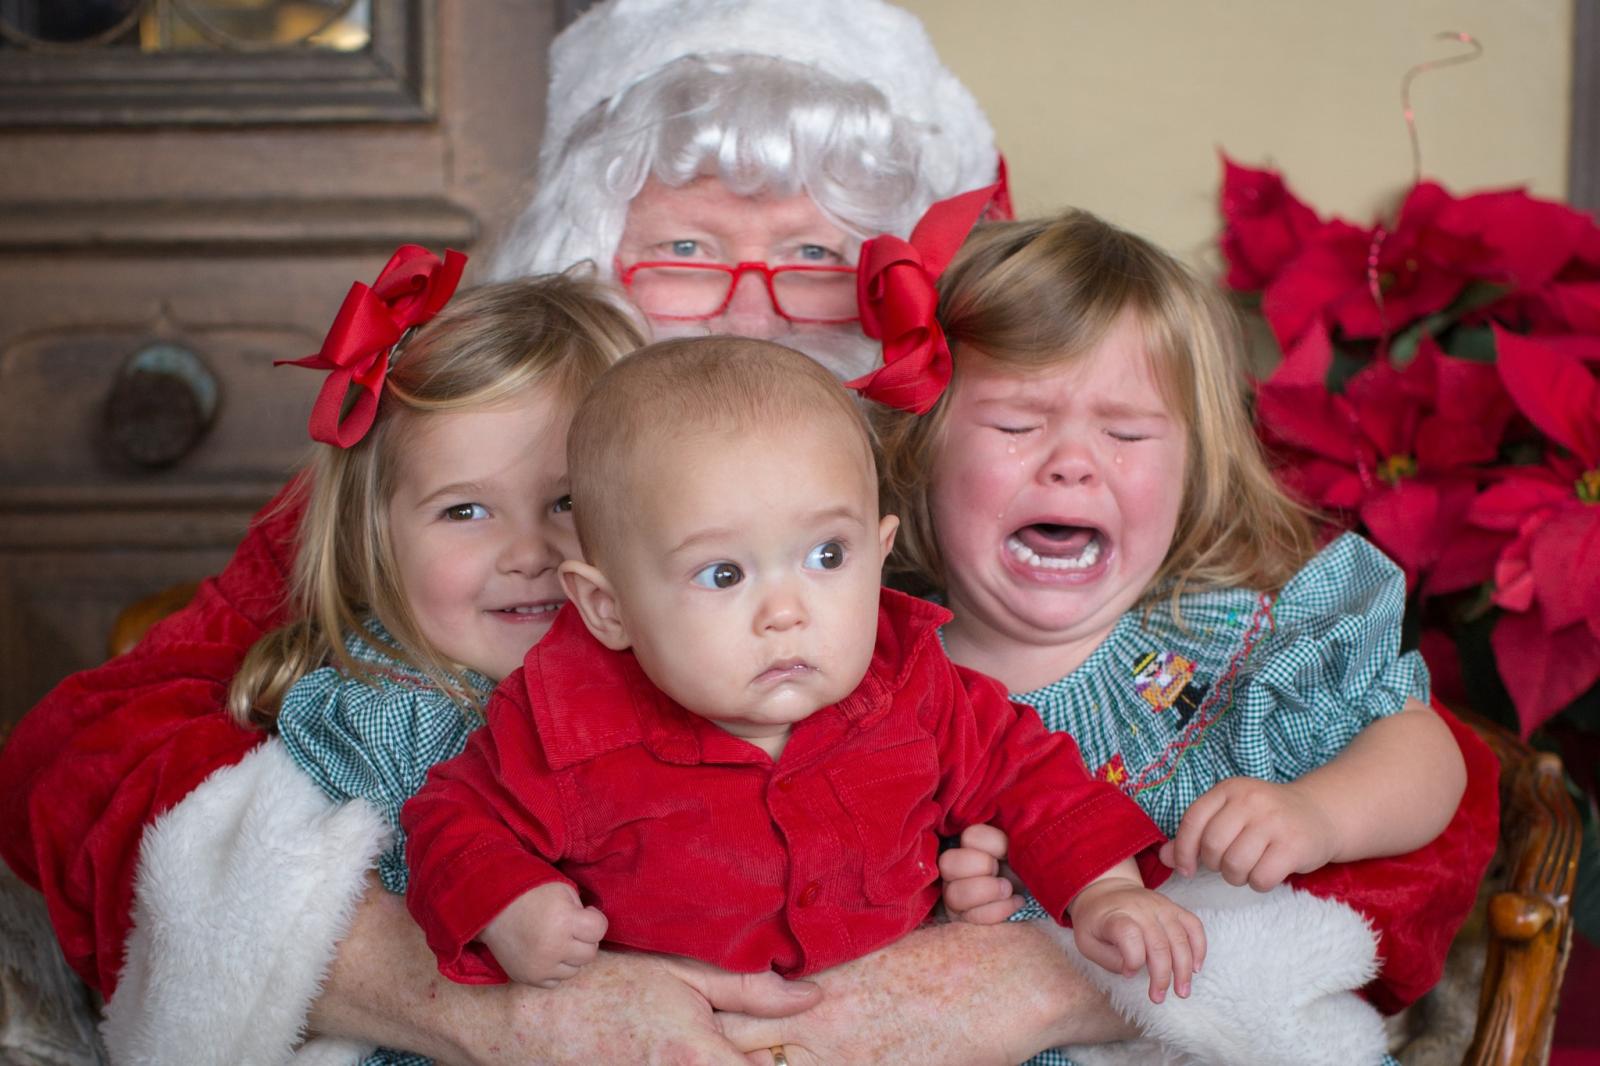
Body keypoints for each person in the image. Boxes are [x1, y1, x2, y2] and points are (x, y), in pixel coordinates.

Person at [0, 1, 1478, 1062]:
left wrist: (1033, 978)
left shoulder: (986, 505)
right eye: (690, 250)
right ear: (593, 248)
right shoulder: (469, 483)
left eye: (823, 254)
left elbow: (1394, 787)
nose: (764, 299)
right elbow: (89, 750)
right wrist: (456, 1000)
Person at [865, 208, 1500, 1065]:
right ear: (920, 451)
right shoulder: (881, 697)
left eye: (1126, 433)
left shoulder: (1224, 650)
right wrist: (951, 908)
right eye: (1017, 425)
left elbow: (1429, 757)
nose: (1073, 462)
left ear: (1192, 469)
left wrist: (1319, 813)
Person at [399, 337, 1202, 1006]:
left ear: (881, 553)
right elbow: (453, 818)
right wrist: (507, 902)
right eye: (722, 574)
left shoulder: (913, 682)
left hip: (899, 1022)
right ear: (607, 609)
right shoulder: (567, 724)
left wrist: (1106, 889)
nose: (786, 611)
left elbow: (1029, 774)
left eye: (827, 556)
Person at [220, 258, 644, 1065]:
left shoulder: (676, 675)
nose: (527, 552)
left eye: (568, 501)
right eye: (465, 510)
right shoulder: (400, 715)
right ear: (372, 536)